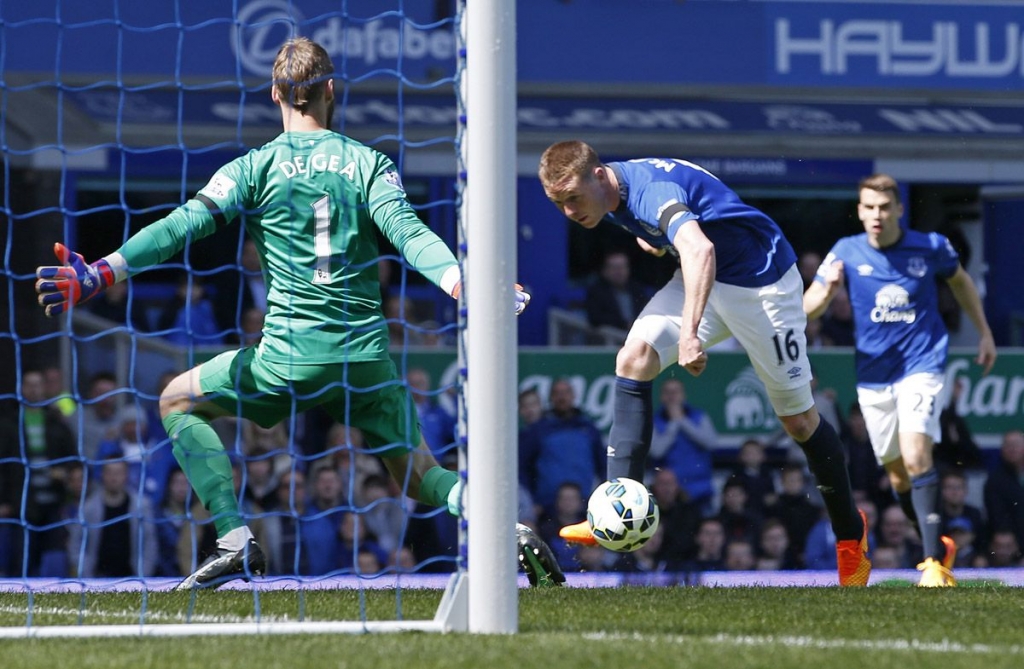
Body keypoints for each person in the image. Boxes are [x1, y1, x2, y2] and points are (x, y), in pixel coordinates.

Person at [35, 37, 559, 590]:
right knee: (419, 475)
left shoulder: (253, 168)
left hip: (287, 360)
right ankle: (505, 528)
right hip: (364, 360)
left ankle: (235, 539)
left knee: (176, 399)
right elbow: (407, 232)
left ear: (274, 94)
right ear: (332, 90)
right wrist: (462, 283)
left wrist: (101, 272)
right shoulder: (369, 163)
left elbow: (179, 227)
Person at [539, 140, 870, 586]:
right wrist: (657, 239)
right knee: (634, 359)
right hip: (707, 280)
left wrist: (691, 335)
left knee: (800, 422)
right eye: (558, 203)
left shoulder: (648, 190)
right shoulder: (610, 191)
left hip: (763, 287)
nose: (569, 212)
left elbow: (700, 250)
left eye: (573, 198)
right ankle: (610, 516)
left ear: (598, 176)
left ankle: (852, 540)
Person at [803, 173, 997, 587]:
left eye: (884, 207)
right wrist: (828, 291)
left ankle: (932, 563)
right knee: (897, 477)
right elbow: (809, 308)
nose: (877, 215)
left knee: (915, 457)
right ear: (859, 210)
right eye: (869, 207)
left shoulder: (929, 247)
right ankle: (938, 543)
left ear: (899, 210)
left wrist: (984, 332)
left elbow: (960, 281)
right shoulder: (845, 252)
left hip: (922, 365)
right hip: (874, 375)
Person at [518, 378, 606, 516]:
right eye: (557, 393)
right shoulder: (539, 430)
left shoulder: (588, 428)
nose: (562, 397)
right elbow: (522, 467)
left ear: (573, 396)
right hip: (546, 507)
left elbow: (603, 466)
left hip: (584, 505)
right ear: (551, 397)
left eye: (566, 392)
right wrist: (532, 501)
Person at [648, 377, 719, 514]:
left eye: (675, 392)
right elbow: (657, 451)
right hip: (669, 495)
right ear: (661, 397)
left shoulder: (700, 416)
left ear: (683, 395)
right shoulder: (653, 421)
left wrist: (682, 421)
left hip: (701, 491)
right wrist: (674, 424)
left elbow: (711, 443)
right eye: (668, 392)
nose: (672, 396)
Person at [584, 250, 652, 336]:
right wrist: (624, 324)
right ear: (605, 270)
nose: (619, 272)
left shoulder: (637, 289)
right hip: (609, 340)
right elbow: (595, 318)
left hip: (638, 337)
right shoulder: (596, 292)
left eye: (622, 267)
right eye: (614, 268)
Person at [983, 429, 1024, 557]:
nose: (1012, 449)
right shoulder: (996, 479)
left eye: (1016, 445)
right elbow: (996, 512)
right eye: (1008, 445)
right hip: (1012, 541)